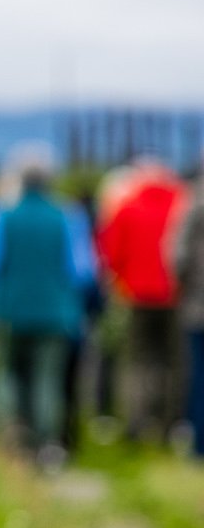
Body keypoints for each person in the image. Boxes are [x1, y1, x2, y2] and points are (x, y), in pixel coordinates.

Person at [0, 147, 96, 464]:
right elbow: (83, 271)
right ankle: (47, 443)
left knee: (6, 373)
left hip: (8, 309)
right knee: (48, 378)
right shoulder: (68, 216)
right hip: (56, 311)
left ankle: (13, 436)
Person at [97, 157, 190, 442]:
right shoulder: (182, 205)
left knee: (138, 360)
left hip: (136, 294)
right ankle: (170, 421)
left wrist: (118, 281)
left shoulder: (128, 208)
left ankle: (137, 421)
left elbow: (111, 252)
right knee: (172, 361)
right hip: (174, 294)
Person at [172, 168, 204, 461]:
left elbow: (177, 256)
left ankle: (199, 443)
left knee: (198, 374)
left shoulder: (194, 202)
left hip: (197, 304)